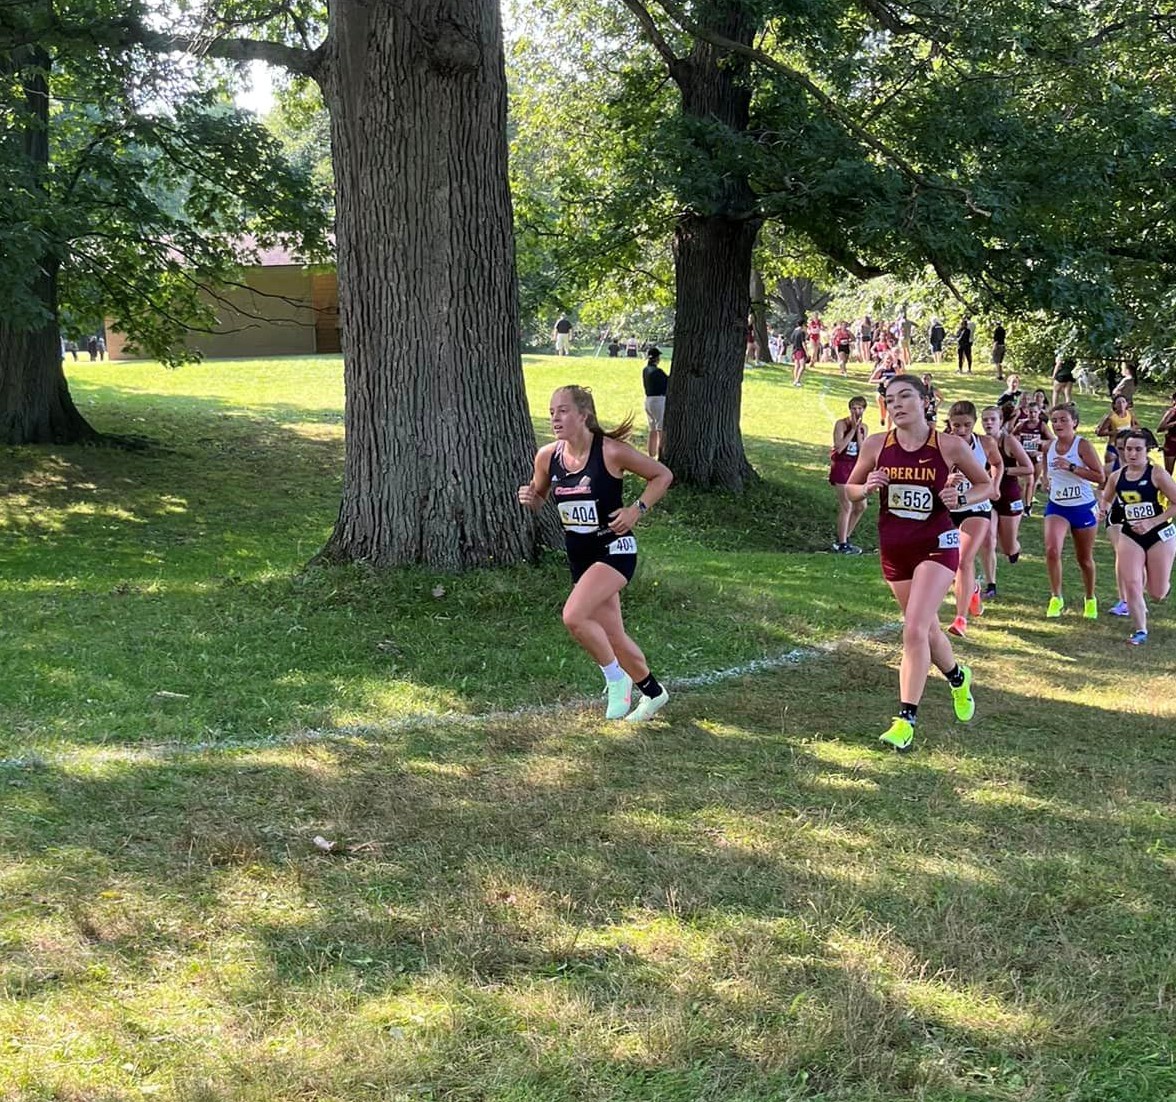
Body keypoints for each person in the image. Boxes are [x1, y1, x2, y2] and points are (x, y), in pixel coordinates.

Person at [845, 375, 991, 752]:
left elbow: (986, 485)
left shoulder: (950, 445)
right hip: (895, 548)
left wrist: (961, 496)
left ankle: (905, 719)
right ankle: (959, 677)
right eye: (890, 399)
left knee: (913, 628)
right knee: (925, 629)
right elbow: (851, 487)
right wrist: (867, 486)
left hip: (937, 545)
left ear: (925, 401)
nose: (897, 404)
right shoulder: (878, 445)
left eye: (905, 396)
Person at [518, 386, 673, 722]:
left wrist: (636, 509)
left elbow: (662, 475)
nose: (555, 418)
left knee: (573, 616)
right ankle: (653, 692)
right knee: (613, 635)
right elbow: (540, 496)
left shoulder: (611, 452)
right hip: (580, 555)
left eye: (562, 411)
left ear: (583, 415)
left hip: (614, 548)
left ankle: (616, 680)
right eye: (551, 412)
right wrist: (531, 500)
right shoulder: (547, 456)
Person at [1099, 430, 1176, 645]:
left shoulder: (1157, 474)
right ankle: (1140, 630)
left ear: (1147, 450)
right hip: (1130, 534)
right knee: (1132, 583)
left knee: (1157, 592)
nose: (1132, 454)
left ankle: (1163, 588)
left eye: (1137, 449)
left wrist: (1152, 521)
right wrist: (1102, 510)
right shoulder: (1117, 477)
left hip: (1160, 535)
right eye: (1128, 449)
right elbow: (1106, 498)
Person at [943, 401, 1002, 636]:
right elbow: (932, 476)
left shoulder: (986, 443)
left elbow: (998, 463)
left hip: (977, 506)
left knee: (963, 560)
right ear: (950, 424)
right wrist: (947, 481)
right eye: (956, 425)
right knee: (946, 563)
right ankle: (973, 589)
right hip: (948, 507)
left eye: (967, 425)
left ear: (974, 423)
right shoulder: (942, 444)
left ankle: (960, 619)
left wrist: (993, 485)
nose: (962, 430)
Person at [1041, 402, 1103, 618]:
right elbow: (1045, 465)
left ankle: (1090, 598)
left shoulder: (1082, 445)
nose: (1058, 424)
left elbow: (1100, 476)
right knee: (1052, 550)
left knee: (1084, 558)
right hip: (1057, 506)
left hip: (1083, 507)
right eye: (1054, 420)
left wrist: (1072, 467)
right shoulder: (1049, 446)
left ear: (1074, 422)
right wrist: (1045, 479)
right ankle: (1056, 597)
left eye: (1063, 420)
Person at [980, 406, 1032, 596]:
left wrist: (1002, 470)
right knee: (988, 539)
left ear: (1001, 420)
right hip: (988, 496)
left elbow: (1028, 468)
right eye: (985, 420)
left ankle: (1014, 549)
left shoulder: (1008, 441)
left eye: (993, 419)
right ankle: (991, 584)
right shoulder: (981, 442)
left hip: (1009, 495)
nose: (989, 423)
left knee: (1007, 546)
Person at [829, 397, 869, 553]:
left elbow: (862, 449)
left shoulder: (864, 427)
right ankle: (842, 543)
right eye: (854, 408)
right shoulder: (841, 424)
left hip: (855, 467)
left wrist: (858, 430)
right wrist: (851, 429)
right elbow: (839, 448)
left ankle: (844, 537)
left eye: (860, 408)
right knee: (847, 504)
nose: (857, 411)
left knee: (861, 505)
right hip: (841, 466)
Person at [1011, 397, 1053, 514]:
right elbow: (1011, 437)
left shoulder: (1042, 426)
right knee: (1026, 481)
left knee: (1032, 481)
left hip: (1037, 457)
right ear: (1026, 412)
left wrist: (1041, 444)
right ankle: (1024, 504)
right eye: (1030, 412)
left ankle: (1028, 505)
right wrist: (1017, 440)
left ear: (1039, 412)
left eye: (1035, 412)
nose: (1032, 414)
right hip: (1024, 457)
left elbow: (1053, 440)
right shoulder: (1021, 425)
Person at [1095, 395, 1138, 476]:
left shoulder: (1130, 414)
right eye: (1118, 402)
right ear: (1114, 405)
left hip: (1126, 447)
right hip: (1113, 447)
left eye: (1123, 402)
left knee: (1126, 472)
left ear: (1126, 404)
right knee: (1111, 474)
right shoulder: (1111, 417)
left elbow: (1137, 426)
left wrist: (1132, 430)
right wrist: (1114, 432)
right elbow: (1100, 433)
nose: (1121, 404)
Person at [642, 347, 668, 460]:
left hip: (648, 400)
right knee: (661, 430)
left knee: (652, 429)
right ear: (657, 358)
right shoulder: (658, 372)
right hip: (659, 401)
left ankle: (651, 455)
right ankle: (661, 456)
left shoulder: (645, 370)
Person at [1157, 391, 1176, 476]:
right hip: (1171, 444)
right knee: (1168, 473)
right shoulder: (1171, 412)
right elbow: (1160, 428)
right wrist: (1172, 424)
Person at [790, 318, 808, 387]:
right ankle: (797, 380)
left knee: (796, 366)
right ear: (803, 324)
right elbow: (803, 343)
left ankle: (796, 380)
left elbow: (792, 340)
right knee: (802, 366)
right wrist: (807, 352)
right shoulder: (801, 332)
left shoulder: (794, 331)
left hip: (795, 350)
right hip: (800, 350)